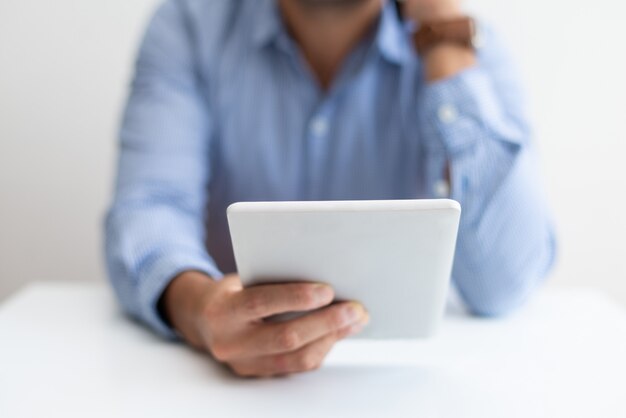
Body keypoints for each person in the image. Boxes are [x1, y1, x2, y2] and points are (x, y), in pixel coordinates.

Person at [105, 0, 556, 377]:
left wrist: (442, 35)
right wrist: (199, 308)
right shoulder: (190, 25)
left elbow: (505, 278)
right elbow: (150, 208)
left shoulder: (465, 47)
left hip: (401, 384)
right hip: (224, 388)